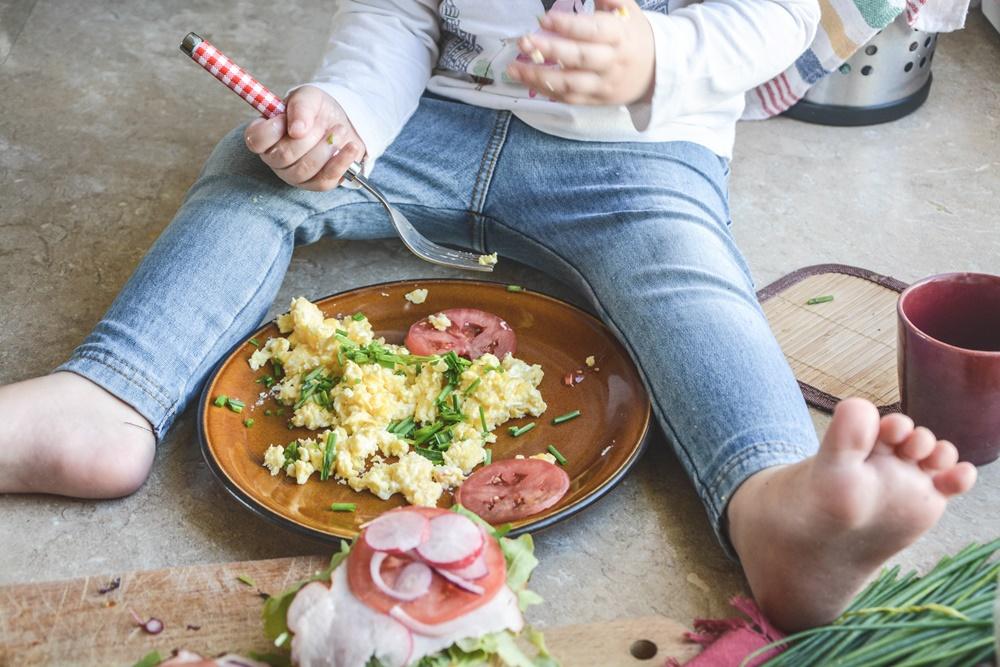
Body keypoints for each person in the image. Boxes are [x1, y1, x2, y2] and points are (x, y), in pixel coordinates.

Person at [0, 0, 976, 631]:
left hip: (636, 154)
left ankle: (773, 505)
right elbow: (398, 14)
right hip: (425, 118)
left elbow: (777, 13)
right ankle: (111, 397)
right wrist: (345, 112)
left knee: (688, 281)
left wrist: (658, 55)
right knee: (253, 173)